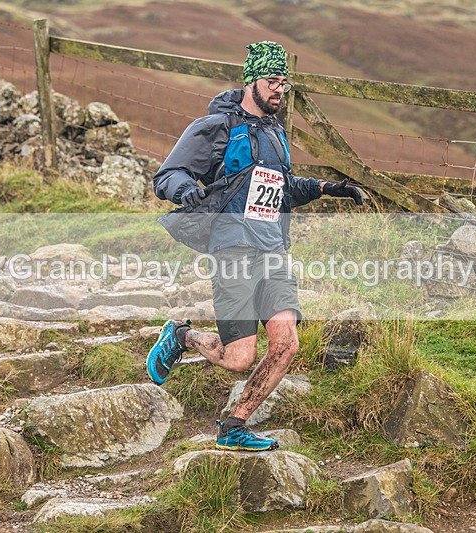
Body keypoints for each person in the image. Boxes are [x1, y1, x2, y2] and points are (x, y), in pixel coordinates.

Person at [147, 41, 364, 452]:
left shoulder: (276, 131)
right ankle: (180, 336)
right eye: (272, 81)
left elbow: (281, 188)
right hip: (233, 249)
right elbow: (168, 175)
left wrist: (325, 188)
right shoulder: (217, 127)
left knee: (286, 345)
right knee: (238, 358)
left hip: (273, 251)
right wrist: (185, 191)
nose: (280, 89)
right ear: (251, 80)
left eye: (285, 82)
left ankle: (234, 426)